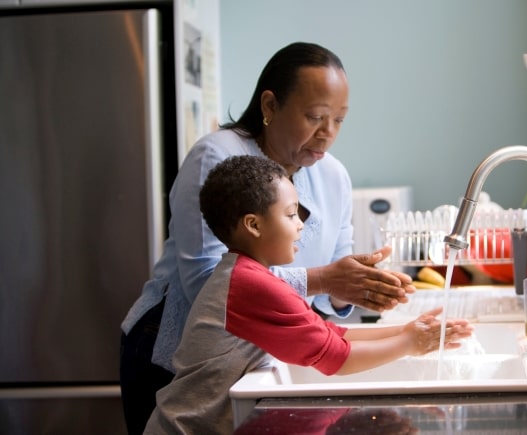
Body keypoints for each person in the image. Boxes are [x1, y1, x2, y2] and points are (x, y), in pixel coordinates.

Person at [120, 42, 415, 434]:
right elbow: (207, 285)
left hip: (255, 359)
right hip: (172, 354)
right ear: (270, 106)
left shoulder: (334, 176)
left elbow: (330, 296)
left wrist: (360, 286)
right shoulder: (217, 156)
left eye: (339, 120)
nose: (327, 134)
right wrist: (325, 278)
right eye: (315, 116)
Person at [143, 155, 472, 433]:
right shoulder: (249, 285)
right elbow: (338, 359)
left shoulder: (248, 275)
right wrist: (412, 343)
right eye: (290, 214)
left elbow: (333, 334)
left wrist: (408, 330)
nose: (300, 224)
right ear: (254, 225)